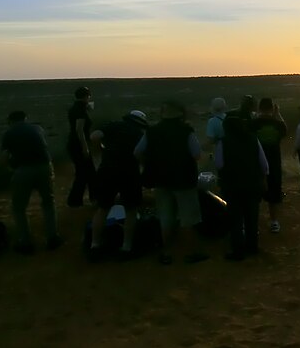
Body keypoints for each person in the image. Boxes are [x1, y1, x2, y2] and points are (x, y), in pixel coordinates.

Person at [135, 100, 208, 265]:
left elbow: (137, 152)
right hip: (184, 181)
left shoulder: (151, 131)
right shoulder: (186, 131)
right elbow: (196, 154)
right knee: (188, 218)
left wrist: (148, 164)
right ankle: (191, 253)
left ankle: (166, 253)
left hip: (160, 180)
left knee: (165, 218)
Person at [87, 110, 149, 261]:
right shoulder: (140, 134)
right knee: (131, 210)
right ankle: (126, 247)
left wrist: (100, 152)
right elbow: (141, 154)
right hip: (129, 172)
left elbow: (95, 136)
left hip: (107, 169)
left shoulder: (114, 125)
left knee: (103, 208)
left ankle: (95, 245)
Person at [0, 111, 62, 254]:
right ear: (25, 118)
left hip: (23, 170)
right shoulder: (37, 128)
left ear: (10, 121)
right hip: (45, 167)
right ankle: (53, 238)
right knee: (48, 202)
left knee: (19, 207)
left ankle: (25, 242)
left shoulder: (9, 133)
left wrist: (10, 169)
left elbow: (3, 157)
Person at [220, 99, 269, 261]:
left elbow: (219, 164)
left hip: (232, 186)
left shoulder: (224, 142)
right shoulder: (253, 140)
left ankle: (237, 251)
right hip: (253, 185)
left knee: (235, 220)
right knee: (252, 218)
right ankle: (252, 247)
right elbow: (264, 164)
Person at [253, 98, 287, 233]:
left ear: (260, 108)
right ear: (272, 108)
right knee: (273, 193)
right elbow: (285, 130)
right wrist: (277, 114)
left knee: (255, 195)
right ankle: (274, 221)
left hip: (256, 163)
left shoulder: (254, 124)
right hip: (273, 163)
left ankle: (253, 223)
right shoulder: (277, 124)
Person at [66, 86, 96, 207]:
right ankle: (75, 200)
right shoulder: (80, 110)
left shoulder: (77, 108)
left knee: (86, 173)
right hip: (79, 145)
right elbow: (79, 130)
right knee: (85, 173)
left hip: (75, 144)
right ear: (86, 96)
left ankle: (81, 200)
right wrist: (85, 147)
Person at [205, 97, 227, 176]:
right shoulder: (227, 118)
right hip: (230, 147)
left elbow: (210, 139)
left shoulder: (212, 121)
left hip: (219, 149)